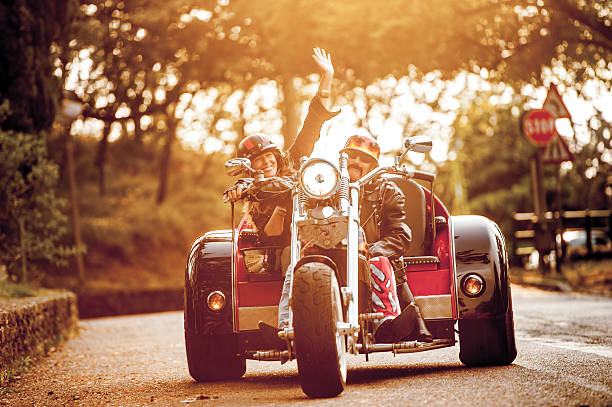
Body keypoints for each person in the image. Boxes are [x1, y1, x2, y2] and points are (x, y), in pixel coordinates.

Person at [339, 134, 433, 343]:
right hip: (333, 258)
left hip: (372, 259)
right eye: (351, 156)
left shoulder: (388, 192)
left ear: (373, 166)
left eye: (364, 159)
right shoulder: (325, 188)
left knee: (378, 262)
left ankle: (386, 326)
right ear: (342, 160)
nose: (356, 162)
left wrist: (368, 251)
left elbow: (399, 235)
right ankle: (293, 328)